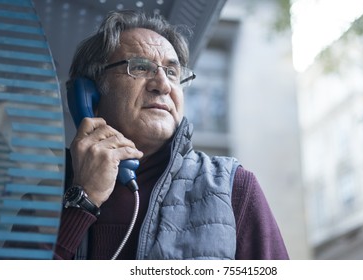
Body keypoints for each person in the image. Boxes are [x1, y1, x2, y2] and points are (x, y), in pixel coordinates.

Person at [56, 9, 289, 260]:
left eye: (171, 72)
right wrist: (81, 201)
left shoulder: (233, 188)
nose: (163, 84)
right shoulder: (51, 189)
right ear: (89, 94)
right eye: (140, 67)